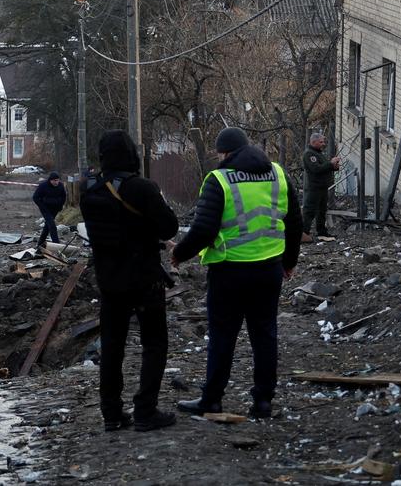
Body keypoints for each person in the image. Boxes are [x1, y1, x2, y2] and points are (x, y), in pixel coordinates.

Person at [171, 127, 302, 420]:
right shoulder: (278, 174)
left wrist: (180, 254)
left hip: (229, 271)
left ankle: (212, 399)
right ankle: (263, 402)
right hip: (268, 268)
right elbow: (294, 221)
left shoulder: (219, 179)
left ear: (225, 153)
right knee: (265, 335)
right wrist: (289, 261)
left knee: (223, 336)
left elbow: (203, 229)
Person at [81, 130, 179, 432]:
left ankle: (111, 414)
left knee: (112, 348)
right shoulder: (142, 188)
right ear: (131, 155)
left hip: (109, 282)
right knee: (154, 344)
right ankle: (145, 411)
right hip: (144, 280)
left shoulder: (90, 191)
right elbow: (168, 228)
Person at [301, 132, 340, 241]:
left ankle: (322, 231)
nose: (323, 144)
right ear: (313, 142)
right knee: (310, 211)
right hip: (315, 188)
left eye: (323, 141)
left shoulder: (318, 153)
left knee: (322, 211)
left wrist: (334, 166)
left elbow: (324, 167)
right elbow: (316, 169)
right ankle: (304, 233)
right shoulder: (309, 154)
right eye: (321, 142)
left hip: (323, 187)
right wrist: (330, 164)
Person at [32, 171, 66, 246]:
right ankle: (57, 245)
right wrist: (42, 206)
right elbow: (35, 197)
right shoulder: (43, 186)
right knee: (52, 225)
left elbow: (64, 196)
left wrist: (61, 205)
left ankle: (40, 244)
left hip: (55, 209)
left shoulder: (60, 186)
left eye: (57, 180)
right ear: (50, 180)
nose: (56, 182)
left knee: (47, 226)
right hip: (46, 209)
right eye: (54, 180)